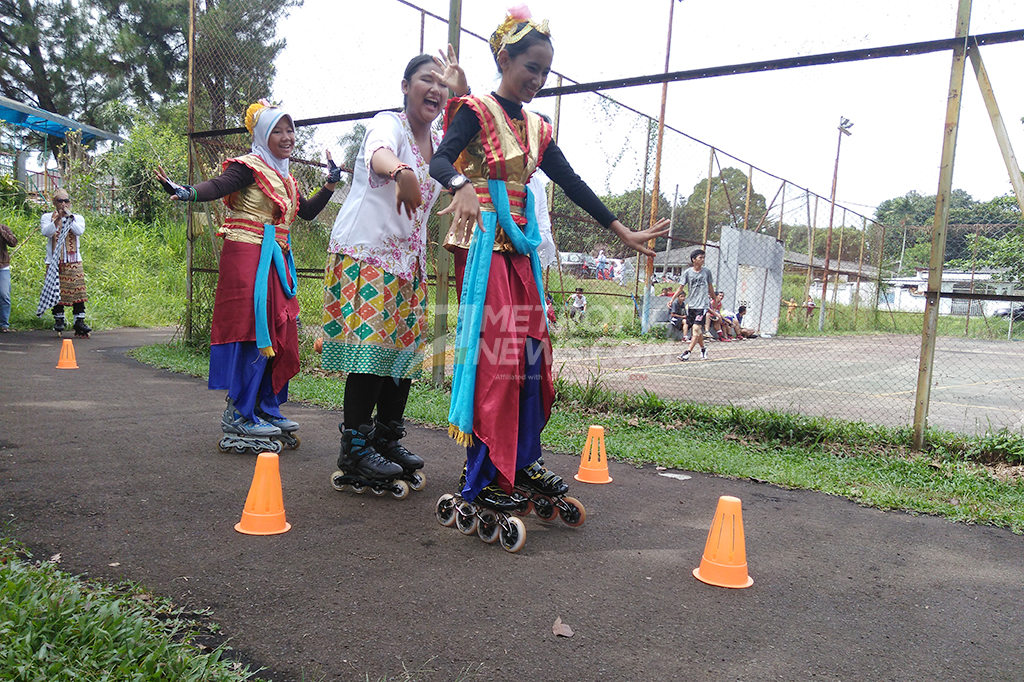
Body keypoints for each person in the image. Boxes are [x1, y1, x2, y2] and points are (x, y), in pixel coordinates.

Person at [428, 5, 669, 515]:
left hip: (522, 258)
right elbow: (440, 160)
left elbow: (572, 182)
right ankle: (488, 470)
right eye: (530, 67)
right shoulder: (474, 109)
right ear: (504, 58)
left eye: (544, 71)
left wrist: (621, 229)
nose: (537, 79)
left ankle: (525, 459)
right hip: (487, 253)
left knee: (535, 360)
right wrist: (461, 185)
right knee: (500, 361)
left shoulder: (538, 127)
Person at [155, 100, 339, 454]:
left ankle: (263, 407)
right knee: (253, 330)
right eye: (278, 131)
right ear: (261, 135)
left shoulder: (285, 176)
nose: (287, 137)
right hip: (247, 256)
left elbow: (309, 213)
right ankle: (238, 413)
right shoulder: (249, 167)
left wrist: (330, 184)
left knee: (279, 328)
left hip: (276, 258)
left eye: (290, 130)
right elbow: (218, 185)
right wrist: (185, 191)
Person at [323, 49, 468, 486]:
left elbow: (478, 143)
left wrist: (464, 94)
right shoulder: (391, 122)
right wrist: (402, 171)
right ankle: (355, 449)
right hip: (368, 253)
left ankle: (386, 438)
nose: (436, 89)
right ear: (406, 87)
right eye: (427, 79)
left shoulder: (441, 141)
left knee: (402, 357)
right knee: (372, 354)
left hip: (408, 262)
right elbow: (378, 153)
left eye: (442, 84)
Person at [37, 189, 90, 337]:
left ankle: (79, 321)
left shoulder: (77, 217)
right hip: (54, 260)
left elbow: (79, 231)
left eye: (66, 201)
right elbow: (46, 232)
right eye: (60, 201)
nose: (63, 204)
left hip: (73, 261)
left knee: (77, 291)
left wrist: (68, 218)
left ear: (70, 203)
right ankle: (59, 319)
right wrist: (57, 220)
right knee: (57, 291)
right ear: (54, 203)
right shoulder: (47, 217)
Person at [674, 249, 715, 361]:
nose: (702, 260)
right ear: (694, 259)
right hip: (692, 305)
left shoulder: (707, 272)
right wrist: (672, 298)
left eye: (703, 257)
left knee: (696, 328)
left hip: (702, 305)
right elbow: (681, 287)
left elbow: (710, 287)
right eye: (700, 257)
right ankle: (703, 349)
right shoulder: (687, 272)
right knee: (697, 331)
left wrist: (714, 300)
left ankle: (687, 352)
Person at [0, 222, 17, 332]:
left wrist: (2, 232)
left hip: (2, 266)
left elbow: (13, 242)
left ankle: (4, 324)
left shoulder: (3, 227)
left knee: (4, 294)